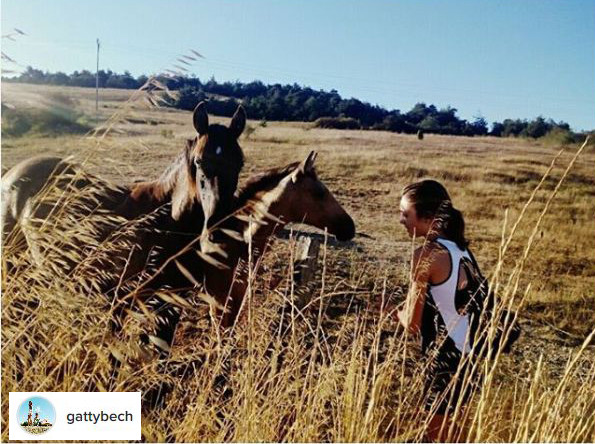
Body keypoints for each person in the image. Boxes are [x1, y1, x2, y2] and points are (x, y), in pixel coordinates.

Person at [395, 179, 486, 442]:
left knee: (433, 438)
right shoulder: (461, 249)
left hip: (444, 362)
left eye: (405, 214)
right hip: (468, 357)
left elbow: (411, 324)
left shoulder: (426, 255)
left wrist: (392, 311)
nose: (400, 220)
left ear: (430, 218)